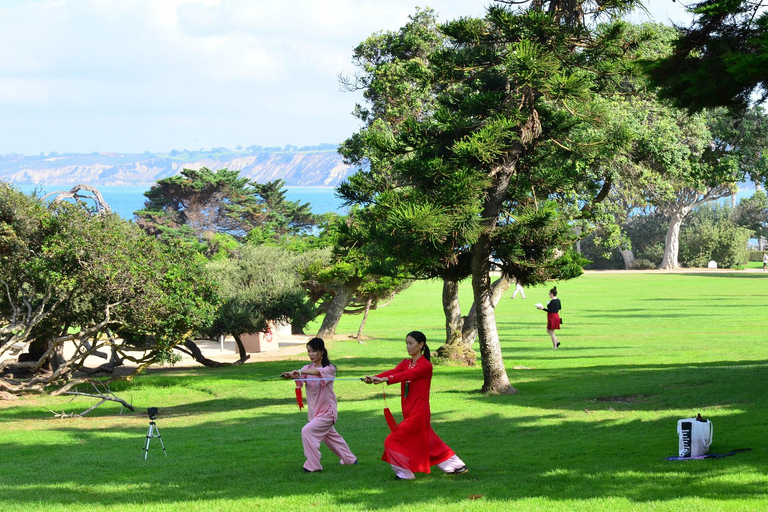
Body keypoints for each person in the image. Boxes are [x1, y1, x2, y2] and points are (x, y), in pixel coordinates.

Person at [363, 331, 467, 480]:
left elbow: (406, 376)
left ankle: (404, 473)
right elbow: (395, 371)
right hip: (408, 410)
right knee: (429, 442)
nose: (408, 346)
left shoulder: (425, 366)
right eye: (406, 343)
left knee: (392, 440)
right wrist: (375, 378)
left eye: (411, 343)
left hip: (420, 412)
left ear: (421, 345)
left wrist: (386, 379)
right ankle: (457, 466)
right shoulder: (406, 363)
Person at [282, 337, 357, 472]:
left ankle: (313, 465)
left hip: (327, 412)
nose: (311, 354)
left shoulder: (330, 369)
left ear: (321, 352)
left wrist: (300, 372)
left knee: (307, 431)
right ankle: (350, 459)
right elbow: (300, 380)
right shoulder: (307, 368)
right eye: (309, 351)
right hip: (315, 414)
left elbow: (317, 372)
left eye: (314, 351)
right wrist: (292, 375)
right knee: (332, 438)